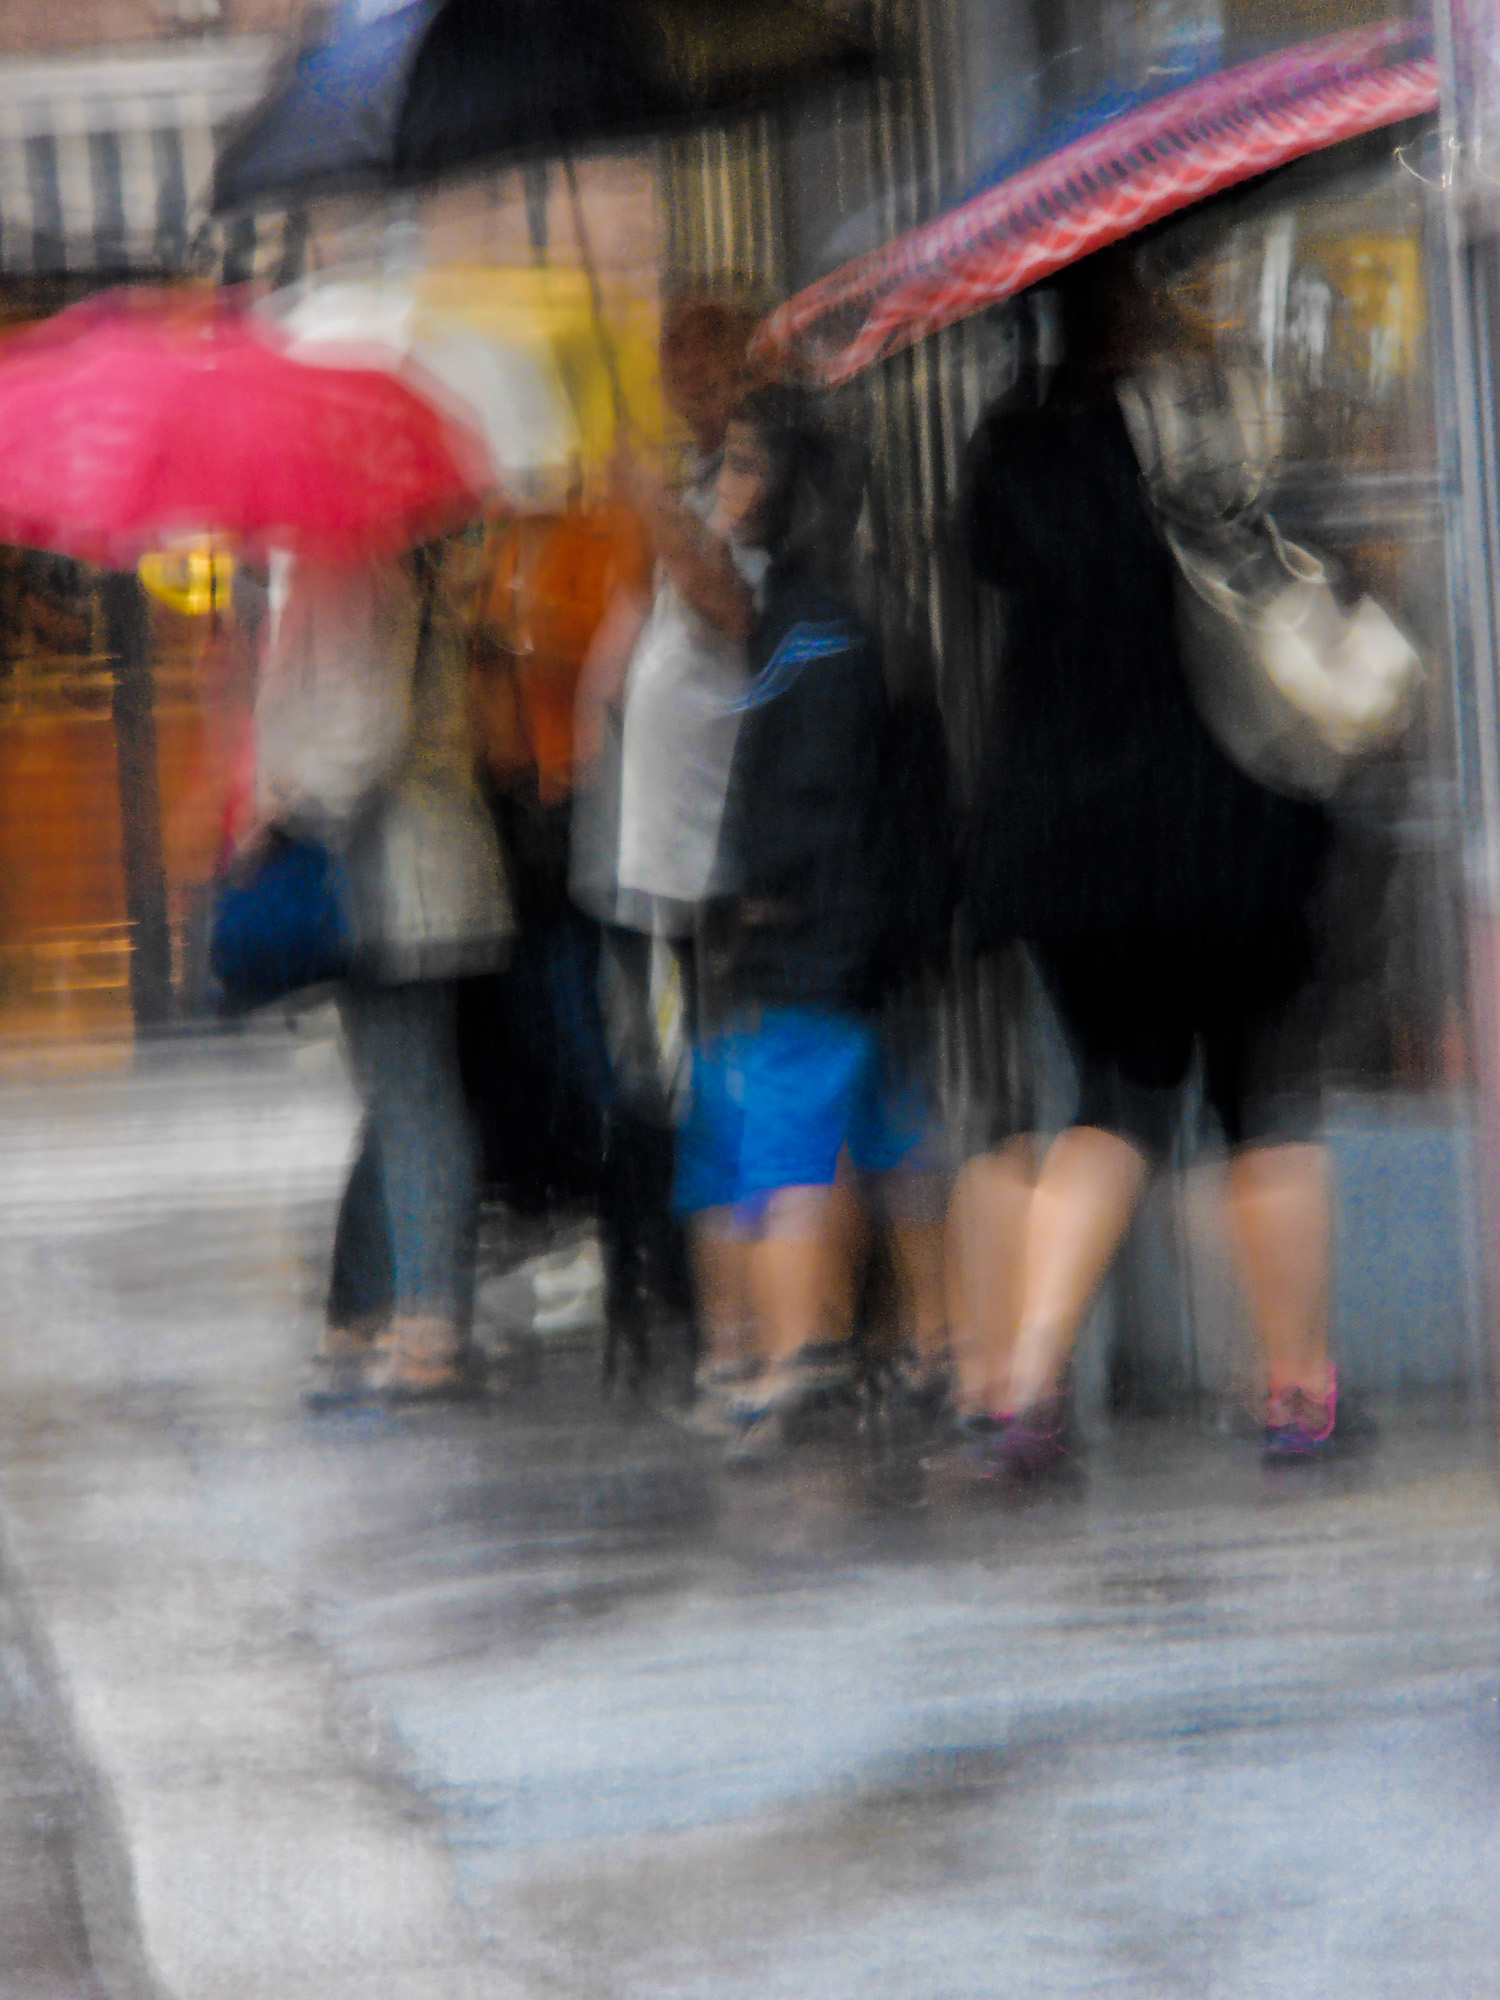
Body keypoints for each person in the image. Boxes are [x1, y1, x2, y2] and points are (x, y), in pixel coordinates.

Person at [949, 253, 1339, 1478]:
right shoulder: (1217, 417)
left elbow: (993, 570)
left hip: (1074, 838)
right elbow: (1302, 560)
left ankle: (1026, 1388)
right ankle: (1297, 1391)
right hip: (1232, 811)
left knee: (1115, 1100)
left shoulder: (1013, 446)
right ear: (1147, 291)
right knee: (1259, 1102)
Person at [668, 384, 890, 1457]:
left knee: (788, 1150)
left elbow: (810, 795)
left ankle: (792, 1358)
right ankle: (792, 1353)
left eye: (750, 465)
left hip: (811, 933)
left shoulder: (814, 633)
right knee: (800, 1142)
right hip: (805, 934)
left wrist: (763, 887)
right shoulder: (797, 622)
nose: (728, 486)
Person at [248, 538, 512, 1399]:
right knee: (400, 1096)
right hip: (410, 876)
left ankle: (430, 1327)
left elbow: (365, 732)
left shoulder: (356, 567)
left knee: (414, 1101)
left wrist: (283, 805)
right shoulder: (391, 565)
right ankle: (361, 1314)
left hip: (396, 884)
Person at [569, 293, 761, 1387]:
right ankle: (693, 1298)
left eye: (706, 363)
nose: (686, 386)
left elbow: (727, 600)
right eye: (673, 367)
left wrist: (650, 506)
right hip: (653, 860)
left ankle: (732, 1319)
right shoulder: (691, 485)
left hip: (717, 854)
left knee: (715, 1081)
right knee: (665, 1079)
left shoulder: (753, 482)